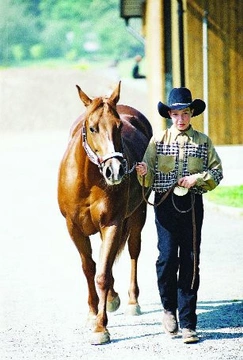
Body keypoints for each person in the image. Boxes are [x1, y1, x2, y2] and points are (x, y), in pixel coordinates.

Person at [136, 87, 223, 344]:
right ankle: (167, 309)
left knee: (190, 260)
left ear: (191, 113)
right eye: (176, 114)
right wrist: (143, 171)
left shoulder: (204, 142)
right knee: (166, 259)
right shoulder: (158, 141)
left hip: (193, 207)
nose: (180, 119)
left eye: (185, 113)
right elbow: (148, 172)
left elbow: (217, 173)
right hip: (164, 205)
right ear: (170, 115)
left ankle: (188, 323)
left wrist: (199, 178)